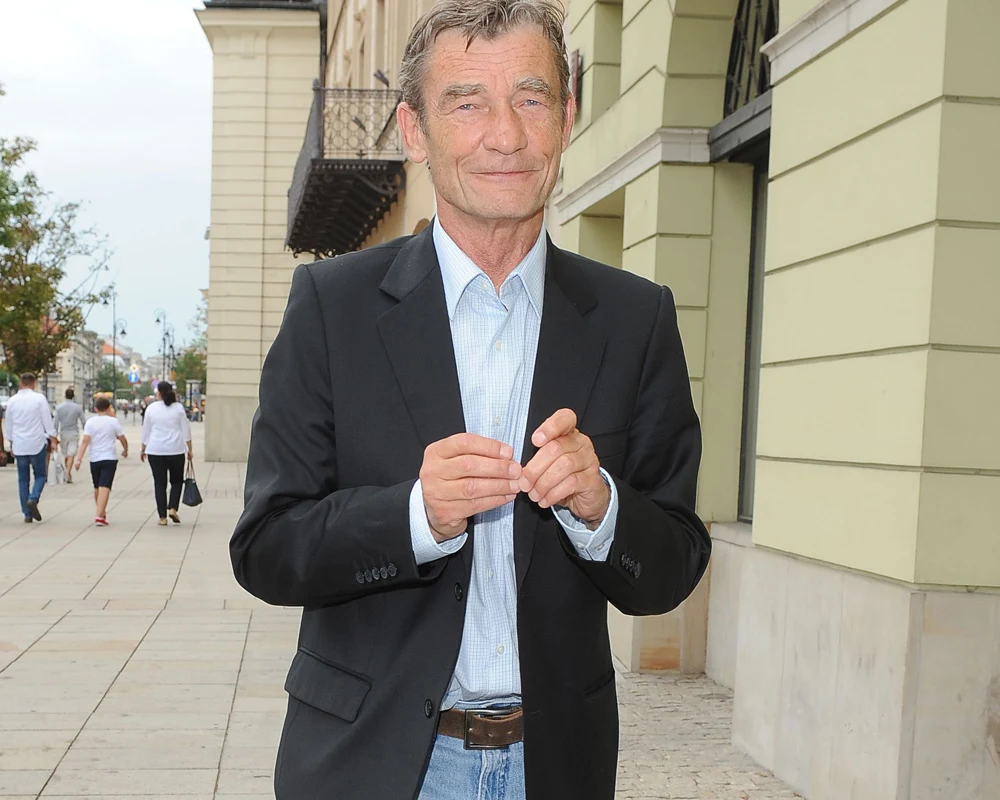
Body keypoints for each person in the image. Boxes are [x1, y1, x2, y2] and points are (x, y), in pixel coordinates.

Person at [231, 3, 712, 799]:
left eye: (530, 99)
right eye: (466, 103)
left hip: (555, 769)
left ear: (566, 118)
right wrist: (415, 516)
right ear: (414, 131)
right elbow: (265, 547)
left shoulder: (636, 319)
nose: (504, 135)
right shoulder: (331, 307)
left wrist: (602, 507)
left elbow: (673, 565)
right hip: (372, 766)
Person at [4, 373, 58, 523]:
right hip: (36, 442)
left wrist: (11, 442)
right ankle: (33, 498)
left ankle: (27, 513)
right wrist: (52, 437)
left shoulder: (12, 401)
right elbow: (46, 420)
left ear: (20, 383)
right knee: (40, 475)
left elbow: (9, 424)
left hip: (19, 444)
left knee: (23, 479)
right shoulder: (39, 399)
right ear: (34, 383)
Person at [140, 381, 193, 526]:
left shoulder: (151, 408)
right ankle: (173, 508)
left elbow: (146, 431)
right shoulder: (178, 408)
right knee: (176, 481)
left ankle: (162, 517)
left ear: (158, 392)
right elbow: (186, 430)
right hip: (176, 450)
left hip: (155, 450)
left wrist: (143, 449)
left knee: (159, 484)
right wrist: (189, 449)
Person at [74, 397, 128, 527]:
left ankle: (101, 512)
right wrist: (125, 449)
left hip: (95, 458)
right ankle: (99, 515)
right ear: (109, 407)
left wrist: (78, 458)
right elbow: (122, 438)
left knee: (97, 486)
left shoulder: (90, 422)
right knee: (105, 486)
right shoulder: (113, 422)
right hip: (109, 457)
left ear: (95, 408)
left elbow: (85, 441)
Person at [54, 388, 86, 484]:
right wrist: (86, 431)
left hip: (63, 433)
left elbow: (56, 423)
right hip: (74, 432)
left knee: (66, 454)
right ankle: (68, 473)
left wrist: (54, 435)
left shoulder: (59, 407)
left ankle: (67, 473)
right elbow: (83, 421)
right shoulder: (77, 408)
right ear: (73, 396)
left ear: (65, 395)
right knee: (71, 454)